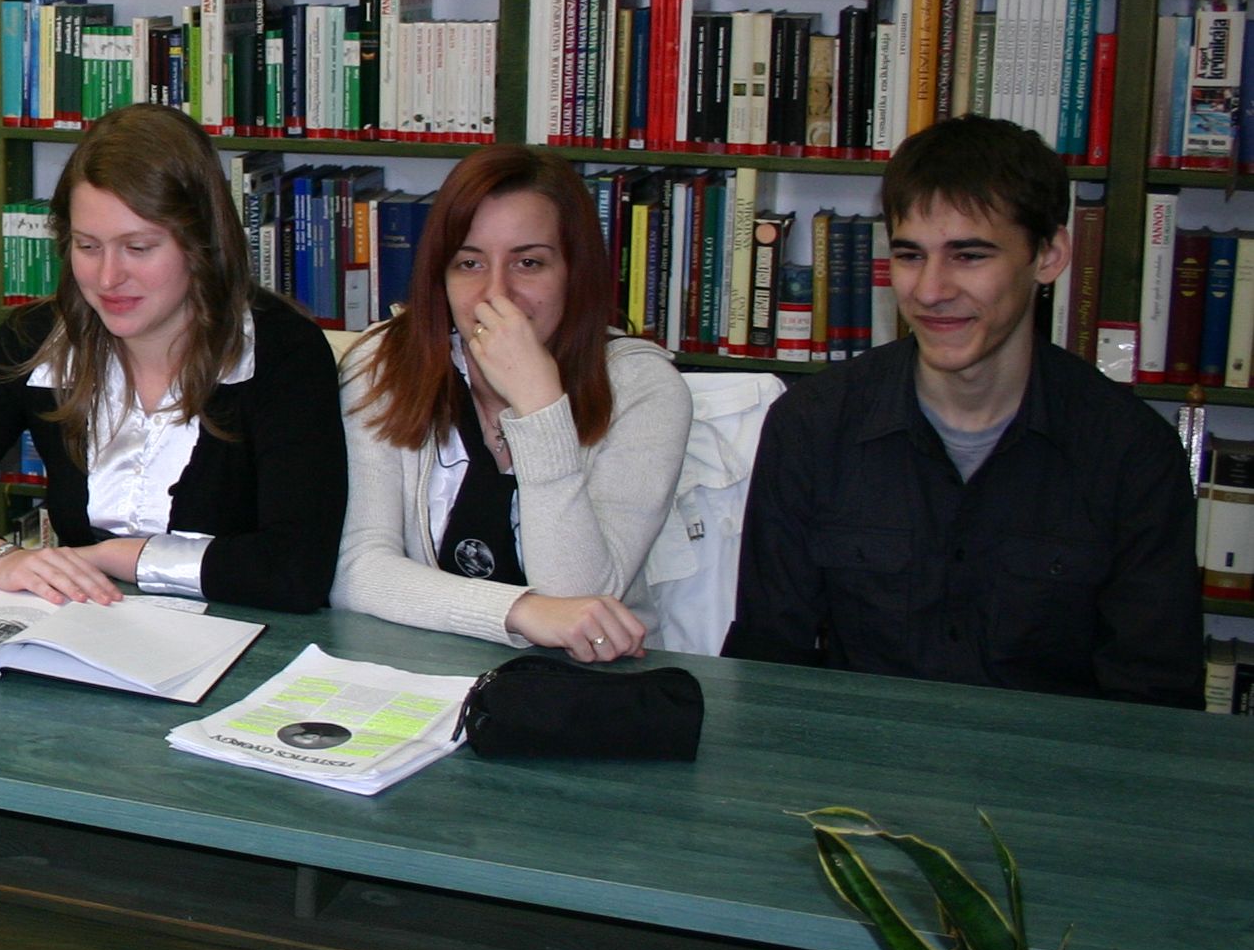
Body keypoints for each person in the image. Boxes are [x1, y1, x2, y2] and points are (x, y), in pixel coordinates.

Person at [724, 116, 1199, 706]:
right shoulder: (812, 425)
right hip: (859, 758)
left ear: (1049, 256)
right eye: (909, 255)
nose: (930, 291)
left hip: (1051, 764)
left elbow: (1156, 707)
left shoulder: (1131, 452)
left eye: (969, 256)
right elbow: (768, 665)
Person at [0, 103, 346, 611]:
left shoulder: (283, 352)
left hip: (247, 636)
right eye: (88, 246)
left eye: (138, 248)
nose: (109, 278)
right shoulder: (37, 339)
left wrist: (109, 557)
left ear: (201, 242)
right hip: (85, 628)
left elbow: (296, 571)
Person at [334, 146, 692, 661]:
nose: (495, 293)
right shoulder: (383, 363)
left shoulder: (643, 387)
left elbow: (582, 602)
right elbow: (358, 571)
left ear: (574, 271)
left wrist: (538, 404)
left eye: (529, 263)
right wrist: (519, 611)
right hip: (419, 667)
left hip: (588, 680)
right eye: (469, 263)